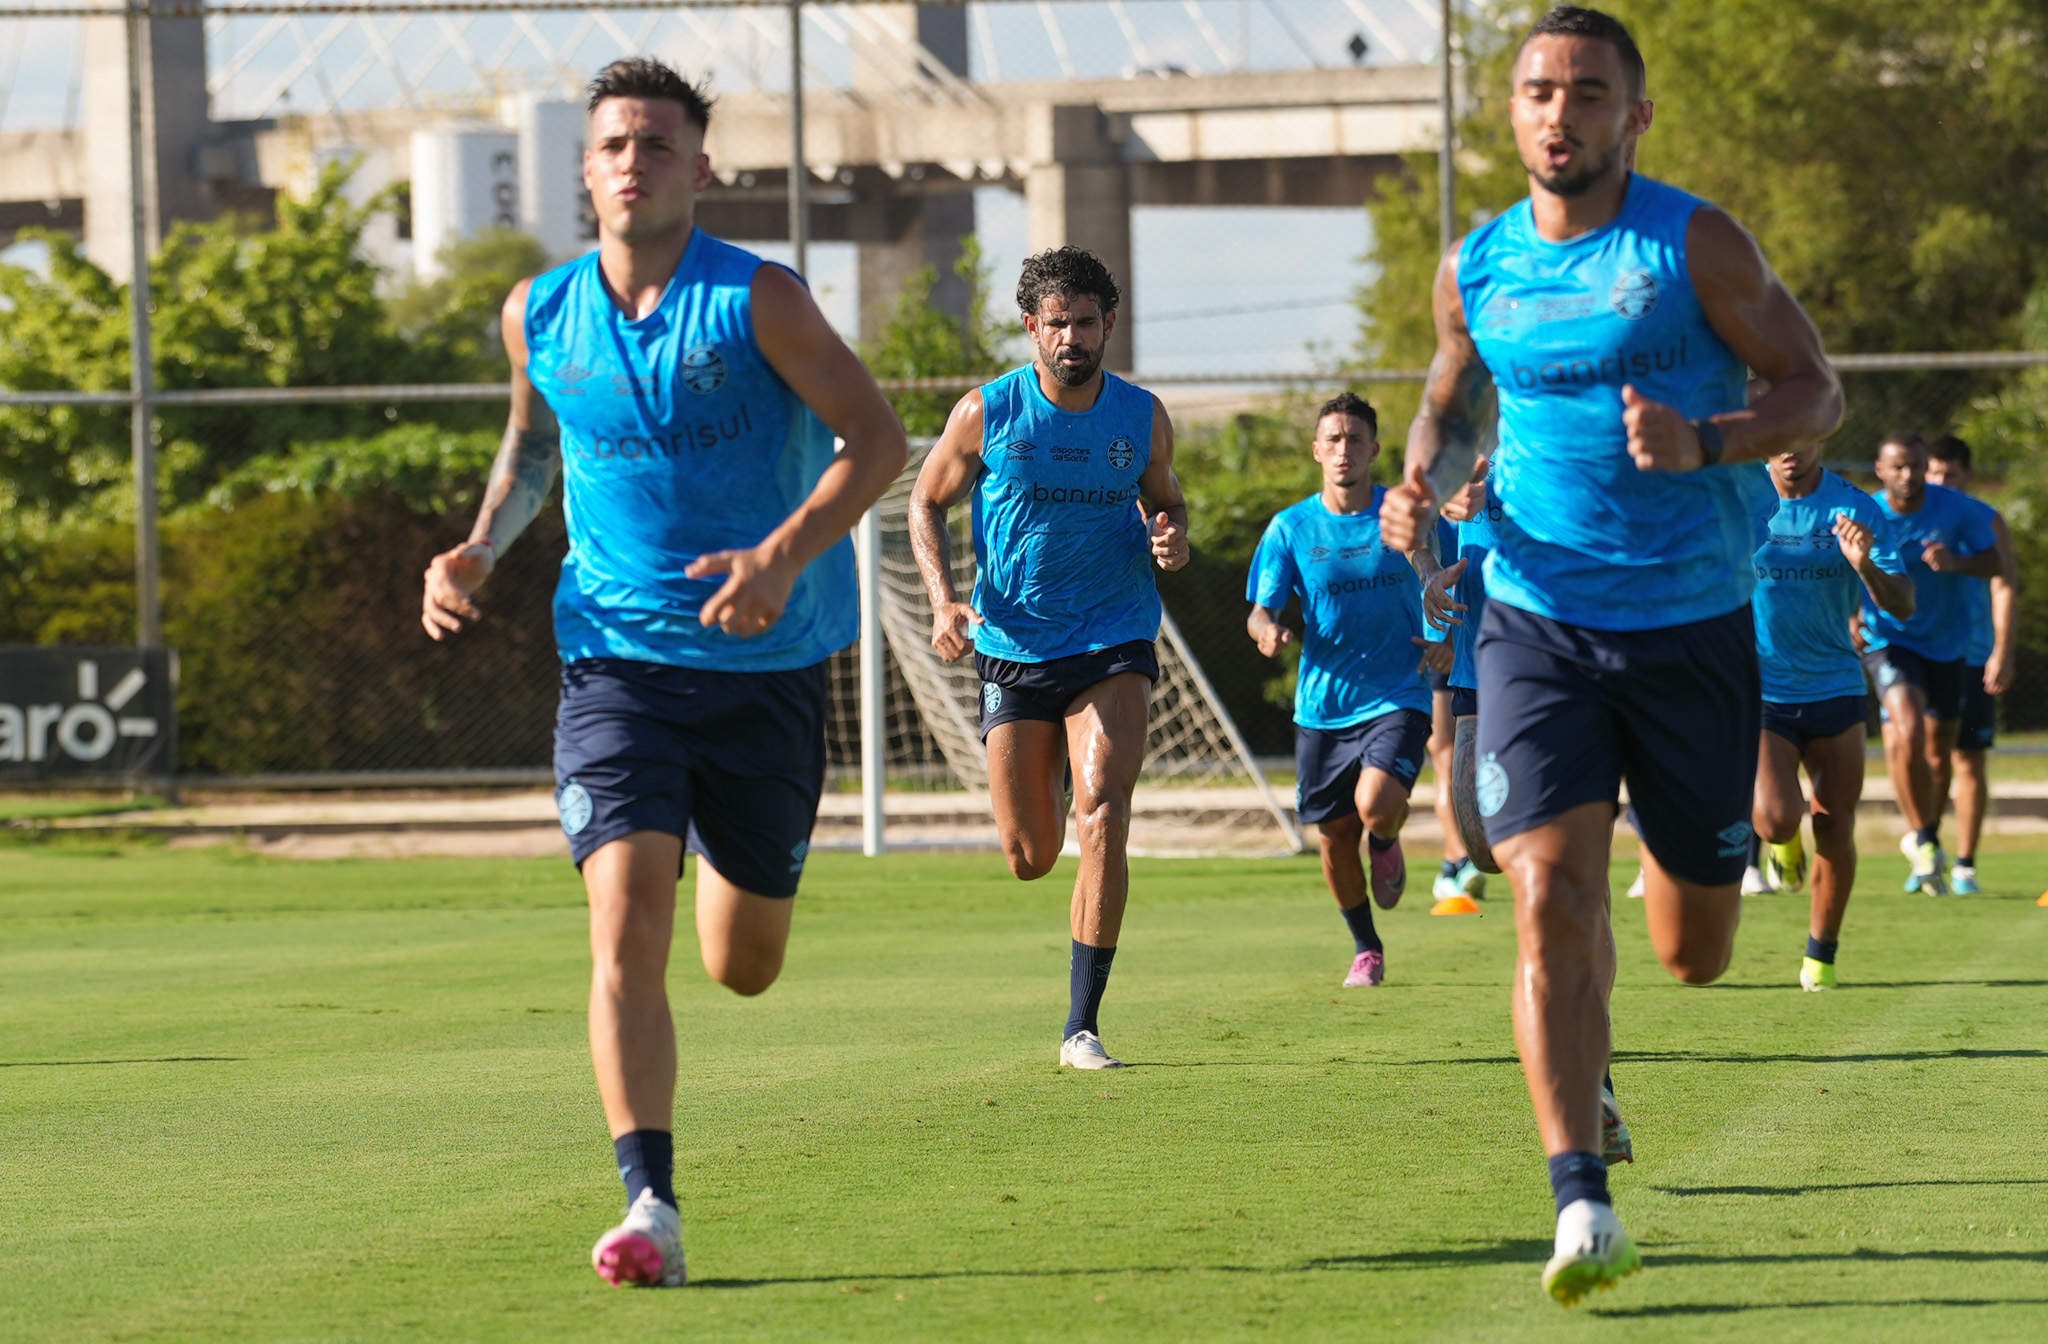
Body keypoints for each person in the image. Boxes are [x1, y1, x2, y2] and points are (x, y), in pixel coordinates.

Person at [1378, 6, 1844, 1306]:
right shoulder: (1476, 263)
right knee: (1546, 898)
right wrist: (1425, 477)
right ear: (1511, 112)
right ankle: (1582, 1200)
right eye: (1538, 91)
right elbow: (1453, 393)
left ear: (1633, 117)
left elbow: (1815, 390)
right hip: (1534, 618)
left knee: (1694, 948)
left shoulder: (1693, 243)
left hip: (1692, 625)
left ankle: (1640, 955)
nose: (1559, 113)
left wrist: (1708, 441)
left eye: (1588, 93)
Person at [418, 58, 908, 1288]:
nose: (632, 160)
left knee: (741, 966)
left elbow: (879, 439)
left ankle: (730, 883)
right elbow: (532, 441)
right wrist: (481, 547)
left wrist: (782, 556)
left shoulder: (761, 302)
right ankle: (651, 1205)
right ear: (585, 172)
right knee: (619, 921)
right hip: (614, 664)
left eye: (655, 143)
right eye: (613, 145)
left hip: (767, 666)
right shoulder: (538, 311)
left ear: (701, 167)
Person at [907, 246, 1189, 1071]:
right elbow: (927, 500)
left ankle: (1081, 1026)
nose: (1073, 336)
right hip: (1014, 644)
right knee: (1030, 855)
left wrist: (1172, 537)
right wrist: (942, 600)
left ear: (1110, 326)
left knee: (1104, 808)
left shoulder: (1141, 418)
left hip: (1113, 637)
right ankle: (1051, 771)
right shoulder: (985, 413)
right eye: (1057, 323)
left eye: (1087, 321)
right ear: (1032, 327)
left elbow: (1166, 503)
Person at [1247, 393, 1442, 987]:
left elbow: (1438, 573)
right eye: (1332, 439)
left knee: (1375, 804)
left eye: (1355, 439)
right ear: (1316, 450)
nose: (1343, 449)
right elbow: (1260, 611)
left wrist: (1443, 635)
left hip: (1399, 691)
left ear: (1374, 450)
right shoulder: (1292, 527)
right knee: (1333, 840)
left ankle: (1385, 837)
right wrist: (1269, 631)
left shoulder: (1402, 513)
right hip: (1324, 706)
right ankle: (1366, 948)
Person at [1749, 448, 1914, 990]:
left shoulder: (1855, 508)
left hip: (1835, 687)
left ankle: (1821, 953)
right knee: (1774, 817)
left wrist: (1864, 565)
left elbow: (1904, 603)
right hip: (1764, 688)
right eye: (1779, 437)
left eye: (1803, 435)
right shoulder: (1738, 494)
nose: (1791, 449)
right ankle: (1783, 848)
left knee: (1835, 823)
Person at [1862, 433, 2002, 896]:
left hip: (1947, 644)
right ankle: (1922, 838)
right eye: (1898, 467)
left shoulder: (1956, 508)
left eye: (1916, 466)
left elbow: (1995, 561)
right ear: (1881, 471)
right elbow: (1838, 568)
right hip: (1889, 638)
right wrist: (1846, 615)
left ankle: (1929, 841)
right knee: (1907, 730)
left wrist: (1956, 561)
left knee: (1941, 755)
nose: (1909, 475)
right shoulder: (1866, 512)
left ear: (1926, 467)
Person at [1923, 434, 2018, 894]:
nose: (1940, 482)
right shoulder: (1908, 514)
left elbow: (2004, 584)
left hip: (1973, 654)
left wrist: (2003, 649)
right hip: (1921, 652)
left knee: (1967, 759)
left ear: (1968, 475)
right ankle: (1926, 848)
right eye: (1934, 473)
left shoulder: (1983, 519)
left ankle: (1964, 864)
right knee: (1927, 758)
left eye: (1949, 474)